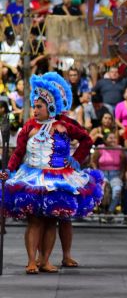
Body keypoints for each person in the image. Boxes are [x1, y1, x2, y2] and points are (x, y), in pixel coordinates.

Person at [0, 73, 103, 274]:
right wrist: (8, 170)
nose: (35, 110)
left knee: (52, 220)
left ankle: (45, 260)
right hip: (32, 177)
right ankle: (32, 261)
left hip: (59, 178)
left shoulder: (64, 125)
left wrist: (75, 160)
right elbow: (18, 152)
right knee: (35, 220)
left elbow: (87, 140)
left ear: (50, 106)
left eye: (39, 106)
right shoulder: (28, 127)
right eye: (34, 106)